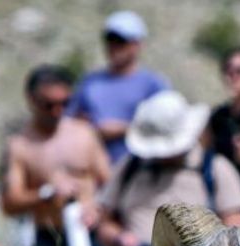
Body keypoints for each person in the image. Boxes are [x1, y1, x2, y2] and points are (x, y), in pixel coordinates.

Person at [95, 91, 240, 246]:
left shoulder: (214, 169)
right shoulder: (130, 167)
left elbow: (238, 225)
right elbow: (103, 223)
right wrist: (119, 239)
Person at [1, 65, 117, 246]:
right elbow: (9, 202)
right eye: (48, 104)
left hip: (89, 236)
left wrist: (96, 207)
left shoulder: (83, 133)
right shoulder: (20, 145)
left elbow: (108, 181)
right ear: (31, 100)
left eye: (64, 103)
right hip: (47, 240)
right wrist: (45, 193)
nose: (57, 111)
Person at [69, 11, 171, 164]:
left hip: (138, 171)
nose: (114, 47)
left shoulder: (154, 85)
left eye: (121, 41)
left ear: (138, 44)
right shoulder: (89, 82)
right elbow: (69, 120)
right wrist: (91, 130)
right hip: (94, 171)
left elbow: (167, 127)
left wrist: (125, 129)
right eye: (110, 40)